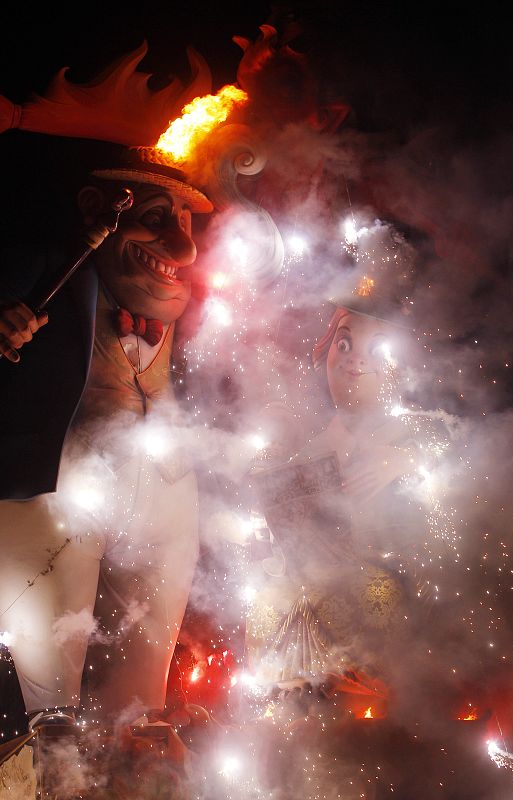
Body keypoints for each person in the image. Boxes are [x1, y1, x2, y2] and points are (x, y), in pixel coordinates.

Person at [0, 45, 223, 735]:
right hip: (55, 489)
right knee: (54, 712)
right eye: (157, 217)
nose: (179, 245)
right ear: (99, 208)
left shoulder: (194, 302)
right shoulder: (39, 269)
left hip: (162, 487)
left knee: (143, 710)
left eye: (185, 222)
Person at [246, 290, 448, 719]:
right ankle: (289, 709)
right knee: (269, 601)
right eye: (344, 343)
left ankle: (367, 705)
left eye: (375, 349)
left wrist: (401, 460)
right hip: (306, 583)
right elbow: (283, 526)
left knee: (373, 593)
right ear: (326, 352)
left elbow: (451, 449)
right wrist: (269, 549)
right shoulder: (311, 444)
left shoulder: (412, 434)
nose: (355, 361)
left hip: (381, 581)